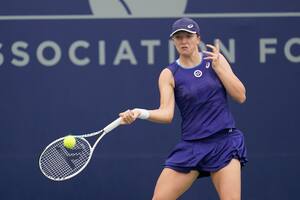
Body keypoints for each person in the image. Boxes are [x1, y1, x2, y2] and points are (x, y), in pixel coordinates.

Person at [119, 17, 247, 200]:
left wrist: (219, 69)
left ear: (198, 39)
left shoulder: (216, 60)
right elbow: (166, 113)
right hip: (192, 146)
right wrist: (140, 112)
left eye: (188, 36)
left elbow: (240, 95)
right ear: (173, 41)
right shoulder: (169, 74)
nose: (184, 41)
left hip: (224, 142)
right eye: (178, 37)